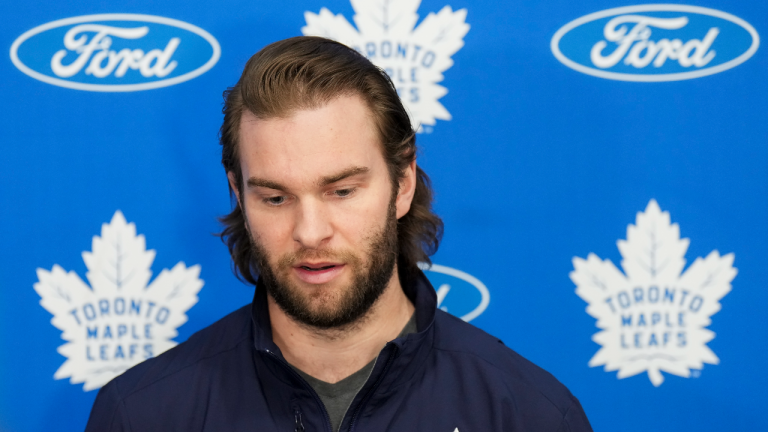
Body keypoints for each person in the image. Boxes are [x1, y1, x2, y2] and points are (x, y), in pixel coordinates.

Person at [85, 36, 593, 432]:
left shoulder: (528, 414)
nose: (310, 232)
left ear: (403, 184)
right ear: (239, 195)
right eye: (275, 198)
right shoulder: (142, 414)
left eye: (342, 191)